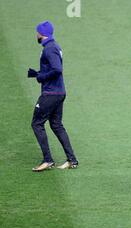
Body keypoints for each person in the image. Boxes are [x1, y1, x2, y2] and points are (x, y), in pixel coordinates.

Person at [28, 20, 78, 172]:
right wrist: (38, 73)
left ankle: (47, 160)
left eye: (37, 32)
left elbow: (57, 69)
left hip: (51, 93)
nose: (36, 34)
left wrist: (41, 77)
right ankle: (72, 160)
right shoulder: (53, 46)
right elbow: (53, 69)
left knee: (37, 124)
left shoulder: (49, 48)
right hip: (58, 92)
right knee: (56, 125)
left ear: (41, 33)